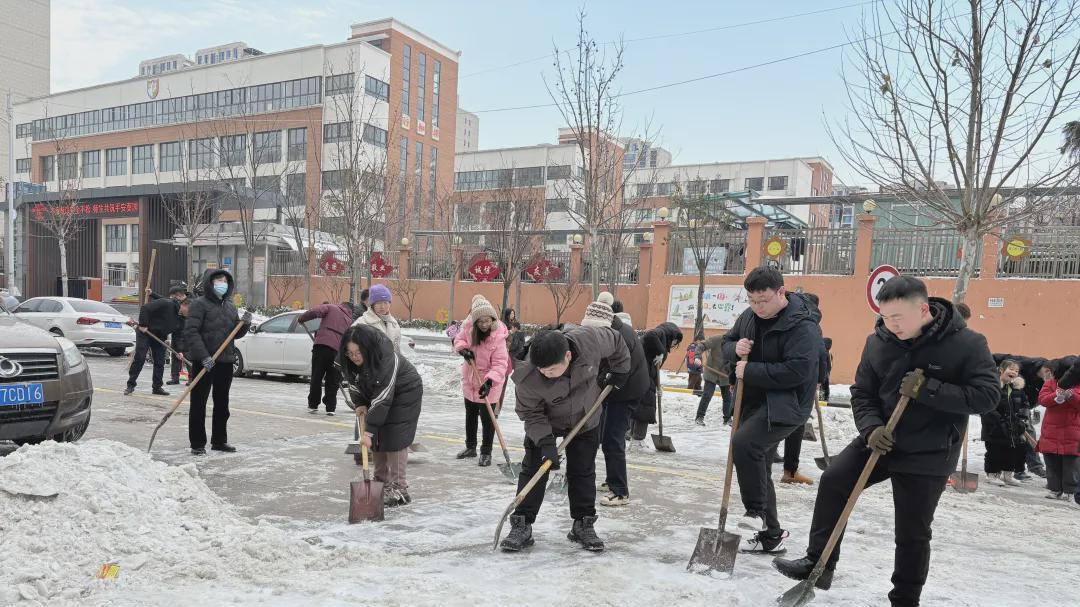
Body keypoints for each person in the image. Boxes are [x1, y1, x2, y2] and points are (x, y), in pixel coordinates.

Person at [773, 276, 998, 606]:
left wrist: (929, 389)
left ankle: (905, 599)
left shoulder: (966, 344)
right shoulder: (879, 341)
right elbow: (862, 393)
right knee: (834, 481)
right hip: (881, 438)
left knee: (911, 531)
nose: (892, 325)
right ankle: (819, 564)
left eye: (898, 318)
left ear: (923, 309)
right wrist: (871, 429)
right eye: (886, 317)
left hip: (930, 450)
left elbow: (987, 396)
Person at [499, 324, 631, 553]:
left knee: (583, 470)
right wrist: (545, 442)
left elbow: (617, 341)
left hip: (585, 416)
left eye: (551, 370)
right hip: (546, 422)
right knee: (534, 468)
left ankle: (583, 523)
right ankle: (522, 523)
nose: (545, 374)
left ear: (568, 356)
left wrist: (621, 369)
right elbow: (531, 413)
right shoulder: (527, 376)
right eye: (542, 370)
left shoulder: (590, 340)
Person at [720, 267, 820, 555]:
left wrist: (750, 370)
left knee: (745, 443)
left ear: (781, 292)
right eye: (752, 300)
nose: (758, 307)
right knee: (759, 466)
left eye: (763, 300)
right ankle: (771, 536)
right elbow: (726, 343)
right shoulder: (748, 317)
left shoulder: (803, 326)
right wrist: (735, 348)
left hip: (787, 404)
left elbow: (797, 371)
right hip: (753, 401)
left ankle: (755, 511)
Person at [339, 324, 423, 506]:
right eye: (350, 353)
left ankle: (399, 488)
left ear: (367, 349)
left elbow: (383, 398)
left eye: (358, 352)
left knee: (395, 437)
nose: (354, 357)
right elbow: (353, 382)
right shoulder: (349, 361)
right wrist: (360, 403)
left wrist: (368, 432)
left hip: (405, 392)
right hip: (378, 393)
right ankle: (381, 483)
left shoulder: (385, 358)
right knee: (378, 438)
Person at [583, 292, 650, 507]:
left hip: (627, 392)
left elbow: (620, 370)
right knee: (605, 435)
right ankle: (612, 479)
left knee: (613, 438)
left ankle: (620, 491)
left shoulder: (622, 336)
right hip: (618, 389)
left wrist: (603, 381)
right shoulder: (611, 330)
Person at [183, 269, 252, 456]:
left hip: (225, 361)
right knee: (199, 403)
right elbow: (191, 332)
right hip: (205, 361)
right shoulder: (199, 304)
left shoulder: (230, 307)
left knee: (222, 403)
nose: (222, 284)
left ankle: (219, 441)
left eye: (225, 281)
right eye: (218, 281)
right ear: (210, 283)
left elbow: (235, 334)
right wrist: (203, 356)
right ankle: (197, 443)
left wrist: (245, 324)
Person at [776, 291, 829, 487]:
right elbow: (821, 354)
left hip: (778, 377)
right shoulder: (811, 322)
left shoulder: (783, 316)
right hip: (802, 382)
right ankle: (790, 471)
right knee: (797, 424)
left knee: (774, 418)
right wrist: (819, 379)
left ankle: (761, 463)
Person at [453, 294, 511, 467]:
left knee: (488, 419)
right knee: (470, 415)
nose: (484, 324)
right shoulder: (469, 329)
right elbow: (459, 339)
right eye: (480, 321)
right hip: (470, 379)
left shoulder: (498, 336)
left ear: (492, 319)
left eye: (487, 320)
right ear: (475, 321)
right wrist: (463, 350)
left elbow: (501, 363)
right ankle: (470, 447)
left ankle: (486, 452)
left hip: (490, 383)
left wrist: (490, 382)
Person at [629, 322, 683, 447]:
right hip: (644, 376)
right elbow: (650, 335)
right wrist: (661, 352)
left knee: (640, 407)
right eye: (675, 341)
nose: (674, 344)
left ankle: (634, 438)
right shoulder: (661, 333)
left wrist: (658, 386)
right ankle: (638, 440)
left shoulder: (662, 339)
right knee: (645, 408)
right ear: (672, 335)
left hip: (644, 376)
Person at [126, 286, 187, 396]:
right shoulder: (167, 304)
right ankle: (130, 384)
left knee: (160, 361)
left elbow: (178, 337)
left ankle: (157, 387)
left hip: (160, 336)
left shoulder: (182, 320)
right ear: (184, 305)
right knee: (140, 357)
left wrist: (179, 351)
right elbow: (145, 308)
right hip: (145, 332)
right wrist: (143, 324)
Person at [298, 301, 355, 416]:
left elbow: (315, 311)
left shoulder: (331, 307)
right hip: (338, 352)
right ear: (351, 311)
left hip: (322, 346)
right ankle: (330, 407)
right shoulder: (351, 322)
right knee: (333, 380)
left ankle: (313, 405)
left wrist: (302, 318)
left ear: (341, 305)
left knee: (317, 376)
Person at [1036, 357, 1080, 501]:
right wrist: (1056, 395)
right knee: (1052, 461)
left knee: (1071, 463)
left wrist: (1071, 395)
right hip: (1051, 430)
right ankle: (1054, 489)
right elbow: (1042, 399)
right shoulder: (1051, 383)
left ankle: (1069, 491)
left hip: (1073, 431)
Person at [982, 360, 1029, 487]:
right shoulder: (992, 386)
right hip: (994, 427)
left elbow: (1025, 404)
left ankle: (1008, 475)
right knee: (995, 451)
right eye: (1011, 369)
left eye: (1016, 371)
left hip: (1013, 427)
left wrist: (1022, 419)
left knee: (1012, 451)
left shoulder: (1017, 389)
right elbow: (987, 406)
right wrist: (999, 421)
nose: (1014, 372)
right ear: (1001, 370)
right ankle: (992, 475)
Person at [353, 284, 413, 352]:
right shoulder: (361, 323)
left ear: (389, 304)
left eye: (385, 302)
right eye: (378, 303)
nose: (382, 307)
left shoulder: (393, 324)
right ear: (372, 304)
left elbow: (396, 350)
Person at [694, 332, 732, 426]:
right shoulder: (717, 339)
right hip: (711, 372)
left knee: (728, 397)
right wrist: (697, 357)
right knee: (707, 395)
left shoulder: (736, 344)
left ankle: (727, 419)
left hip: (725, 375)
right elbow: (701, 345)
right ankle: (699, 417)